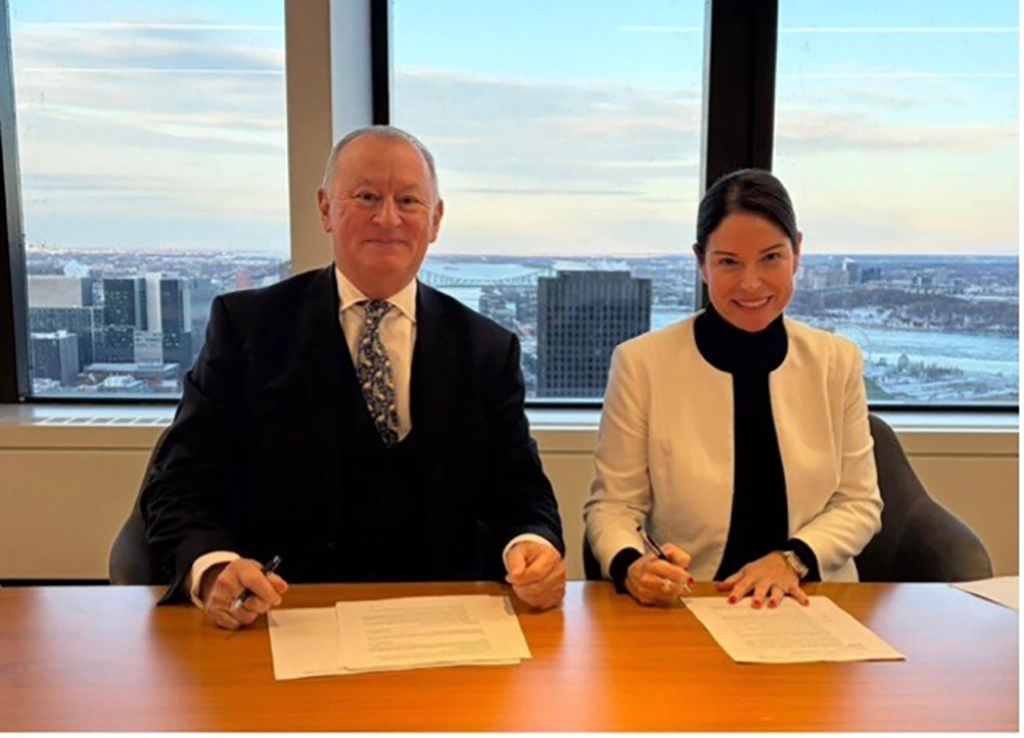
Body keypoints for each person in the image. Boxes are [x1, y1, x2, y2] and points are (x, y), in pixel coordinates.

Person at [142, 125, 566, 629]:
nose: (388, 217)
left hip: (445, 622)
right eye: (366, 196)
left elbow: (521, 491)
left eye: (409, 200)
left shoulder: (487, 348)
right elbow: (179, 483)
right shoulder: (248, 328)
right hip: (282, 616)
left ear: (435, 220)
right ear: (325, 208)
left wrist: (533, 548)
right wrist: (214, 570)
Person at [584, 169, 882, 609]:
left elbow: (859, 503)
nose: (751, 282)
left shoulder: (836, 362)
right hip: (690, 600)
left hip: (812, 598)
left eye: (771, 258)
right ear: (701, 262)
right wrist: (633, 565)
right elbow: (612, 506)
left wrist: (791, 561)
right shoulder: (642, 364)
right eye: (728, 262)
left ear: (797, 252)